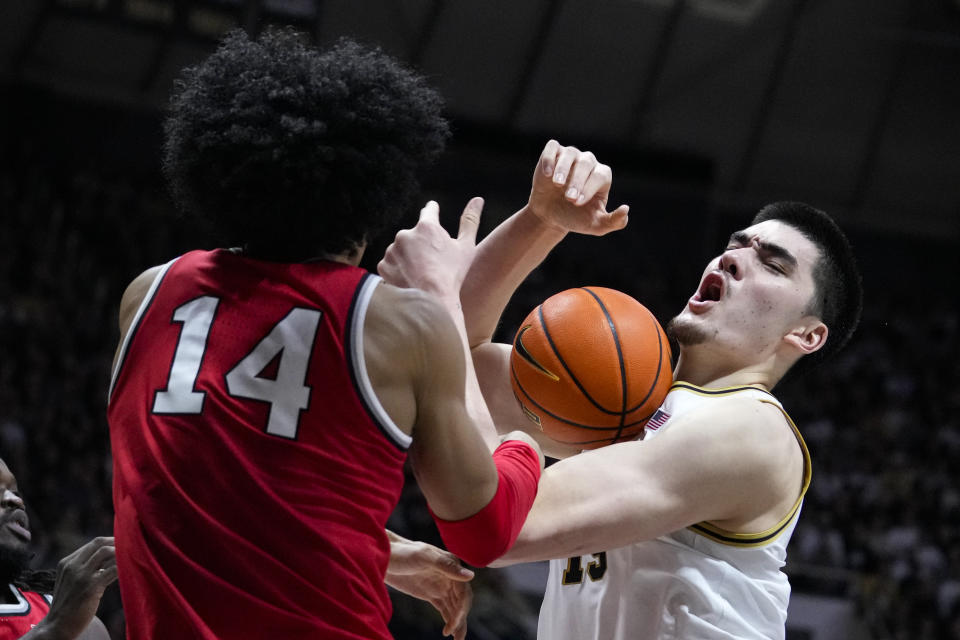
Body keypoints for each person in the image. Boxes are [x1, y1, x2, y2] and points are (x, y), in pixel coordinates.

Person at [106, 28, 543, 640]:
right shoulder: (401, 325)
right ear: (371, 195)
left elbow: (208, 488)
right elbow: (486, 529)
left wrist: (378, 550)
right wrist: (524, 437)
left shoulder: (149, 294)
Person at [378, 140, 863, 639]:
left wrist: (439, 297)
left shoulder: (752, 430)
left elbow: (502, 528)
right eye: (736, 245)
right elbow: (465, 368)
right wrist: (541, 221)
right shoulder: (629, 399)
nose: (732, 259)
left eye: (774, 265)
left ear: (806, 334)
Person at [0, 456, 115, 640]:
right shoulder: (62, 621)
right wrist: (54, 628)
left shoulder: (76, 622)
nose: (15, 500)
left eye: (16, 492)